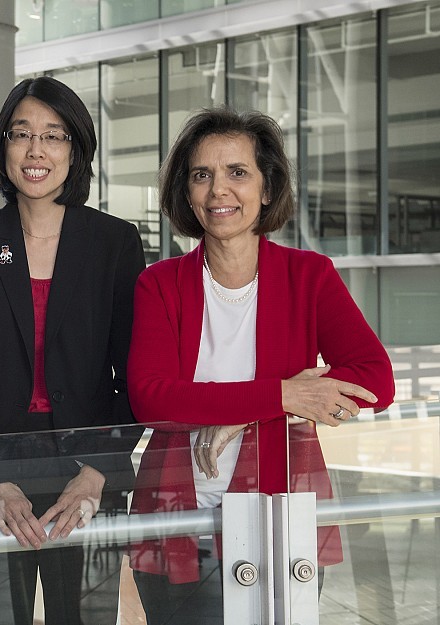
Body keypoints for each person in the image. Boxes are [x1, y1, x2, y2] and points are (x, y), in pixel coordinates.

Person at [126, 108, 396, 624]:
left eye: (237, 172)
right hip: (183, 521)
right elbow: (152, 398)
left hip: (280, 523)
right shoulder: (159, 284)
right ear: (186, 192)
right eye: (201, 175)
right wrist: (283, 396)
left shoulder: (308, 277)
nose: (218, 190)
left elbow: (376, 381)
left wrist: (236, 414)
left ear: (267, 188)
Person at [0, 76, 146, 625]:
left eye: (54, 136)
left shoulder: (114, 242)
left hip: (88, 465)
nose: (36, 151)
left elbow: (134, 374)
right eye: (21, 133)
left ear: (74, 149)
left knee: (85, 618)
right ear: (2, 147)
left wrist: (98, 471)